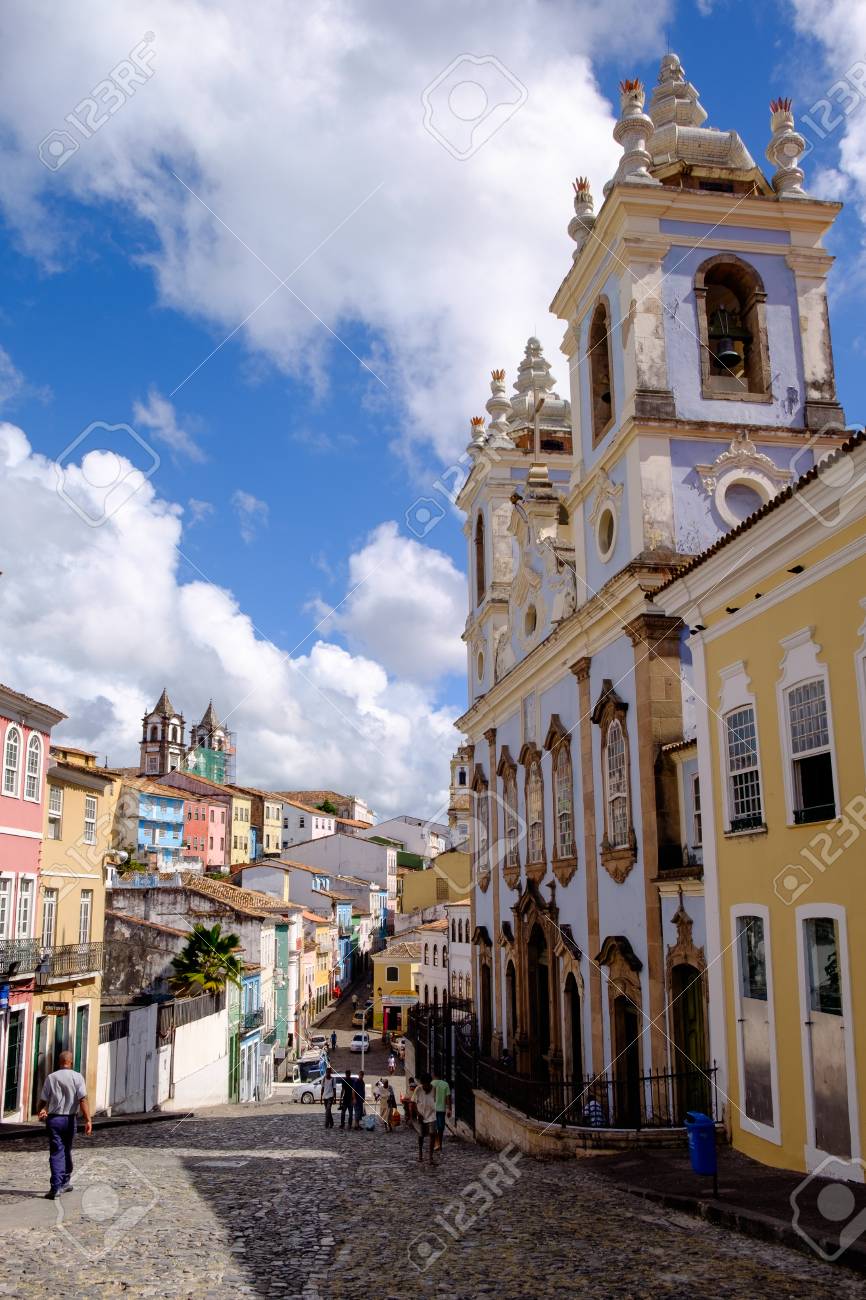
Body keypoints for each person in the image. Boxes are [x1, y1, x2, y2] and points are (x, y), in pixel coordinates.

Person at [37, 1050, 92, 1199]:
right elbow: (83, 1099)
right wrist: (88, 1120)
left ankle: (56, 1186)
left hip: (54, 1119)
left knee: (56, 1152)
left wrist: (41, 1110)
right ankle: (64, 1182)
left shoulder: (51, 1077)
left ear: (59, 1062)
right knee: (66, 1149)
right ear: (71, 1062)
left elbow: (43, 1099)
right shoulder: (77, 1077)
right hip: (69, 1119)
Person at [413, 1073, 437, 1164]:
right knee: (421, 1135)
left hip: (432, 1115)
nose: (425, 1086)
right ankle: (420, 1154)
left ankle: (430, 1157)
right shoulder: (418, 1089)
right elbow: (413, 1102)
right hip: (422, 1115)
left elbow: (435, 1101)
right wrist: (418, 1113)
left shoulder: (434, 1089)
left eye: (426, 1084)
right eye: (423, 1084)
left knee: (432, 1134)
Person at [431, 1070, 451, 1152]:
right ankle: (440, 1144)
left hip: (433, 1109)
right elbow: (448, 1098)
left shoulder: (431, 1084)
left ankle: (435, 1143)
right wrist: (449, 1109)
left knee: (433, 1127)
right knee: (441, 1127)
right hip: (441, 1109)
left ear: (434, 1075)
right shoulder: (445, 1084)